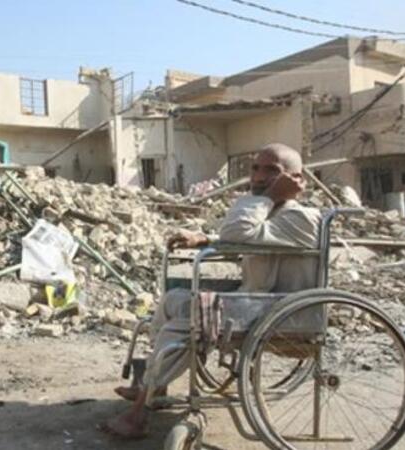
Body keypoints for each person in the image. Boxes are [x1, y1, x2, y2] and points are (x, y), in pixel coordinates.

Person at [101, 143, 322, 439]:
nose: (258, 177)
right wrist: (204, 239)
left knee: (191, 320)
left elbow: (239, 233)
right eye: (255, 168)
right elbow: (248, 237)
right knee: (172, 301)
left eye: (272, 170)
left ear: (296, 180)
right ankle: (156, 383)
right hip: (257, 302)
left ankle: (140, 411)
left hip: (280, 312)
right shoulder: (272, 212)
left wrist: (268, 196)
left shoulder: (302, 218)